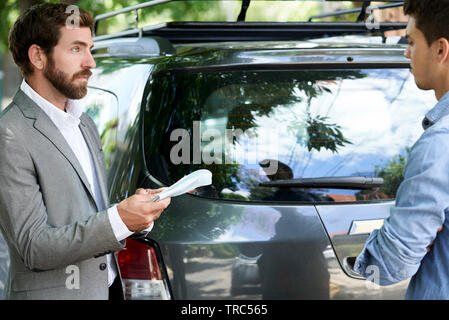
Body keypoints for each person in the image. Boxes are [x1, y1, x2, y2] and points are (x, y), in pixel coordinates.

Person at [0, 3, 170, 300]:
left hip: (109, 290)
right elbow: (34, 247)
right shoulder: (9, 133)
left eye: (89, 49)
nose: (91, 62)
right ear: (38, 56)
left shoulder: (83, 120)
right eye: (76, 49)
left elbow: (88, 211)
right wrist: (119, 219)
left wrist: (135, 211)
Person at [354, 0, 449, 299]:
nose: (406, 52)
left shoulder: (440, 142)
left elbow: (390, 263)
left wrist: (385, 241)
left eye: (410, 41)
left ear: (440, 50)